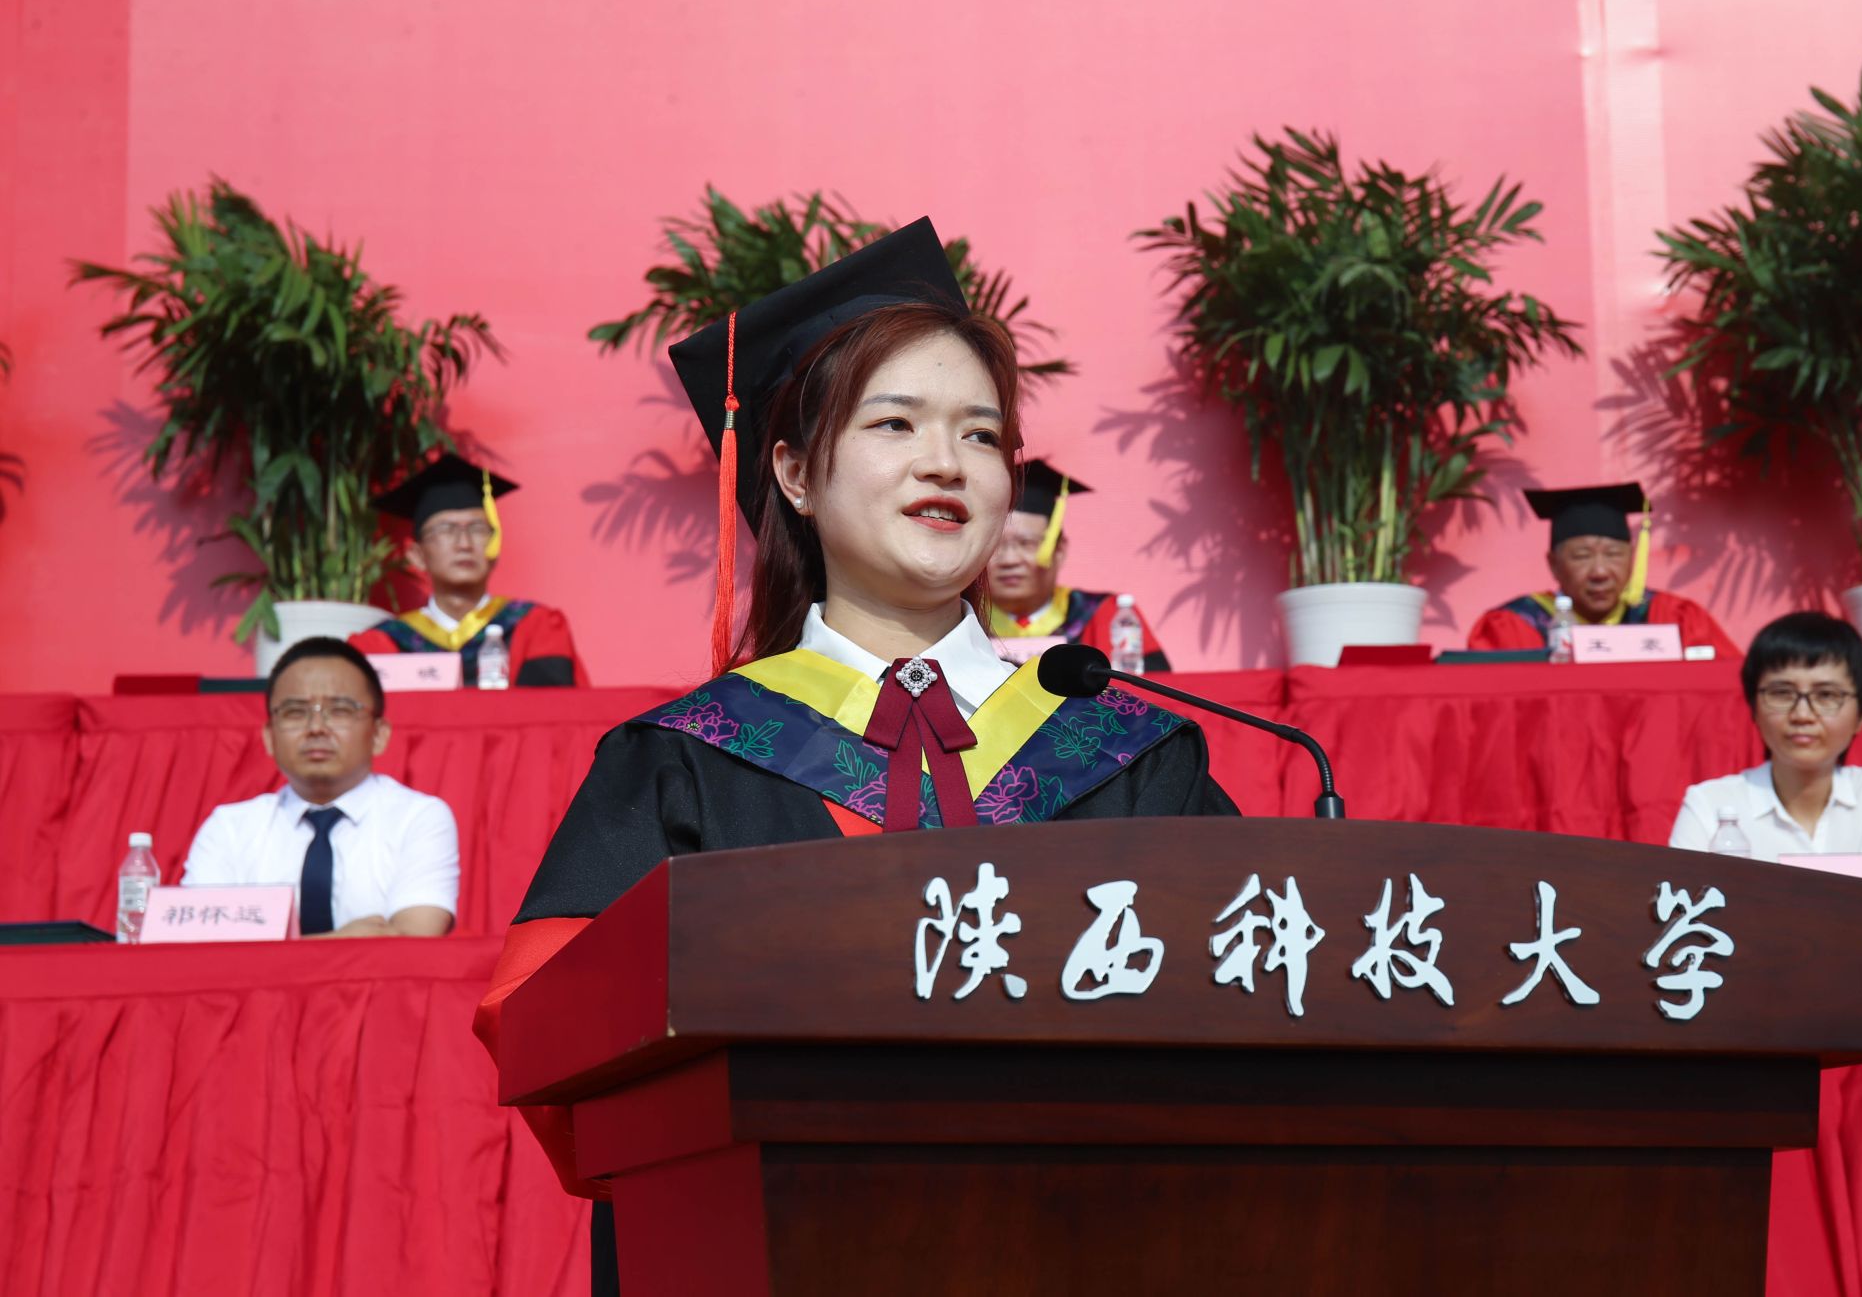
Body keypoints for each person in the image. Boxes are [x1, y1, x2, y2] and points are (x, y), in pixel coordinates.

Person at [470, 219, 1236, 1294]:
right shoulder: (688, 761)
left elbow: (1249, 996)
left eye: (981, 435)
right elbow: (554, 1025)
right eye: (895, 422)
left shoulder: (1120, 749)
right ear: (791, 471)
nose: (945, 462)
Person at [1668, 612, 1862, 908]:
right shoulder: (1709, 804)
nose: (1802, 715)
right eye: (1782, 693)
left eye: (1826, 695)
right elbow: (1678, 919)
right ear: (1754, 708)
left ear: (1861, 715)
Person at [180, 637, 459, 937]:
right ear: (269, 737)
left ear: (379, 734)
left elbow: (414, 939)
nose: (316, 728)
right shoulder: (229, 828)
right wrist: (345, 939)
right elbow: (200, 948)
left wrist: (269, 950)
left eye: (339, 711)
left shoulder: (418, 818)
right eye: (296, 712)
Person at [347, 454, 589, 687]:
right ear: (417, 556)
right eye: (445, 530)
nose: (464, 544)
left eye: (477, 529)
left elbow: (556, 711)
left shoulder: (535, 628)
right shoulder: (382, 644)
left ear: (494, 547)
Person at [1468, 483, 1738, 657]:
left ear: (1632, 558)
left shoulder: (1674, 619)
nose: (1600, 572)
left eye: (1613, 554)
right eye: (1582, 556)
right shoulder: (1514, 626)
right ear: (1553, 565)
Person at [985, 459, 1172, 670]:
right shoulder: (963, 619)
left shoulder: (1102, 614)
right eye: (995, 545)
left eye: (1026, 543)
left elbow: (1150, 685)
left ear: (1059, 551)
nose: (1010, 559)